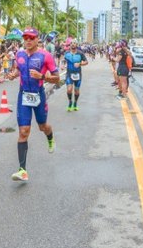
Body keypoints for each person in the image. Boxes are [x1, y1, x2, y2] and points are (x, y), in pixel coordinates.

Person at [5, 28, 59, 182]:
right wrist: (12, 75)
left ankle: (50, 138)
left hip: (38, 95)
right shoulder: (19, 54)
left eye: (31, 38)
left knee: (43, 127)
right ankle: (22, 170)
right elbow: (18, 70)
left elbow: (56, 78)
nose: (28, 40)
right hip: (24, 95)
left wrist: (42, 76)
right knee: (23, 131)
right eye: (25, 38)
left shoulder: (45, 56)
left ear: (37, 40)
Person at [63, 40, 88, 111]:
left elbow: (86, 62)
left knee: (76, 90)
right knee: (69, 89)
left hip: (78, 74)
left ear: (76, 45)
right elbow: (64, 60)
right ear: (70, 45)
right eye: (71, 43)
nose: (73, 44)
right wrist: (63, 65)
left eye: (74, 43)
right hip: (69, 73)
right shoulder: (67, 53)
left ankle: (75, 103)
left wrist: (80, 64)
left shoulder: (80, 53)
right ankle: (70, 101)